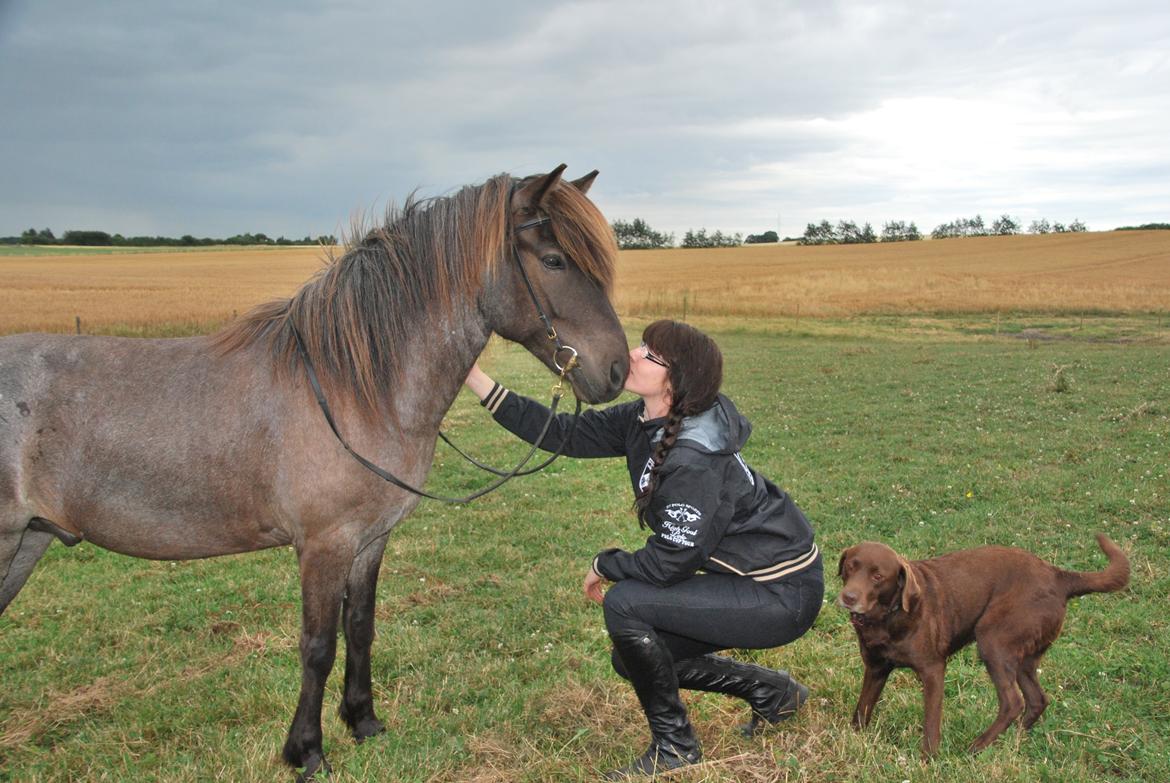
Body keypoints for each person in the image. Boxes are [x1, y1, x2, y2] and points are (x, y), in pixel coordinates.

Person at [465, 320, 822, 778]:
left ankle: (675, 747)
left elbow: (671, 560)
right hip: (748, 582)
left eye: (650, 355)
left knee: (627, 604)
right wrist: (474, 378)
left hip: (781, 594)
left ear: (676, 380)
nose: (632, 354)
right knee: (633, 655)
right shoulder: (647, 420)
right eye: (642, 346)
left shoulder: (694, 457)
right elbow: (561, 434)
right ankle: (774, 692)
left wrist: (605, 563)